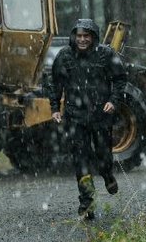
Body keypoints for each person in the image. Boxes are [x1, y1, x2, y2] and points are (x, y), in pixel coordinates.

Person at [48, 19, 127, 220]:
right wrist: (55, 107)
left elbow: (120, 80)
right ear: (74, 36)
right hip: (75, 116)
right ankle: (87, 203)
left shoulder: (106, 54)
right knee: (80, 160)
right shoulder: (64, 56)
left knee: (103, 155)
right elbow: (55, 83)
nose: (82, 40)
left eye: (86, 36)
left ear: (93, 37)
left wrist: (113, 100)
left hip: (101, 115)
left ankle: (108, 175)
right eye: (79, 36)